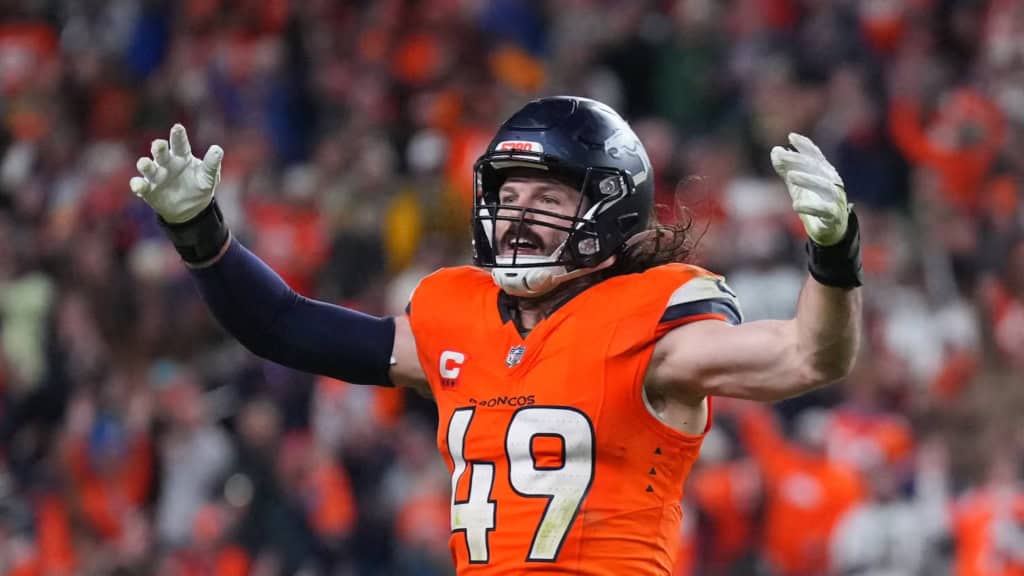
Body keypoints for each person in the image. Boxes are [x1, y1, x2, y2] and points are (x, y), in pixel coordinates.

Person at [129, 96, 863, 574]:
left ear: (608, 210)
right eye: (508, 196)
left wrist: (833, 254)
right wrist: (201, 234)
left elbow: (808, 355)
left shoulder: (652, 316)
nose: (516, 216)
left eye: (546, 196)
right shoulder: (459, 315)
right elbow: (283, 325)